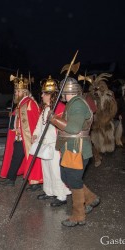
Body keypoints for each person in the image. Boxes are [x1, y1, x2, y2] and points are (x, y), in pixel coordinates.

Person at [49, 77, 100, 227]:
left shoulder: (77, 105)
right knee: (66, 176)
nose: (61, 95)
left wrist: (54, 120)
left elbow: (73, 128)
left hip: (77, 149)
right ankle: (91, 198)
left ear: (66, 91)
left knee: (74, 180)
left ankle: (78, 215)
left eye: (62, 92)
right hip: (70, 148)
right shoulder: (73, 103)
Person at [31, 76, 71, 206]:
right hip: (44, 145)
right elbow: (39, 125)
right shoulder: (45, 109)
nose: (41, 95)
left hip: (55, 145)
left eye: (44, 93)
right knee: (46, 169)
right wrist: (35, 135)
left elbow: (64, 127)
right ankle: (49, 192)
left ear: (51, 95)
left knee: (55, 170)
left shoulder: (59, 108)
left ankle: (61, 195)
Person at [0, 74, 42, 188]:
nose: (16, 93)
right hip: (19, 136)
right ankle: (11, 178)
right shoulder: (21, 104)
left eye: (18, 91)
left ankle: (34, 182)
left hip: (27, 138)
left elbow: (34, 121)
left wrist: (22, 129)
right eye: (15, 91)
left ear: (24, 91)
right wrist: (13, 116)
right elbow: (19, 119)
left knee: (30, 158)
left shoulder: (30, 103)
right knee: (16, 158)